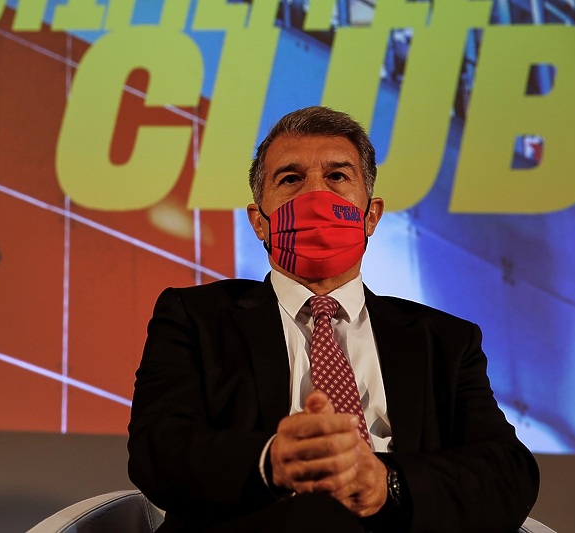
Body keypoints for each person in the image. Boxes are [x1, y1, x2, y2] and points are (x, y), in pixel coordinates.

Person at [127, 106, 539, 532]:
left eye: (338, 177)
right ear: (258, 223)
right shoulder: (196, 317)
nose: (314, 196)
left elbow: (507, 471)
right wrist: (272, 461)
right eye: (290, 179)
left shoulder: (444, 340)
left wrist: (386, 482)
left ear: (371, 215)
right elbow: (158, 450)